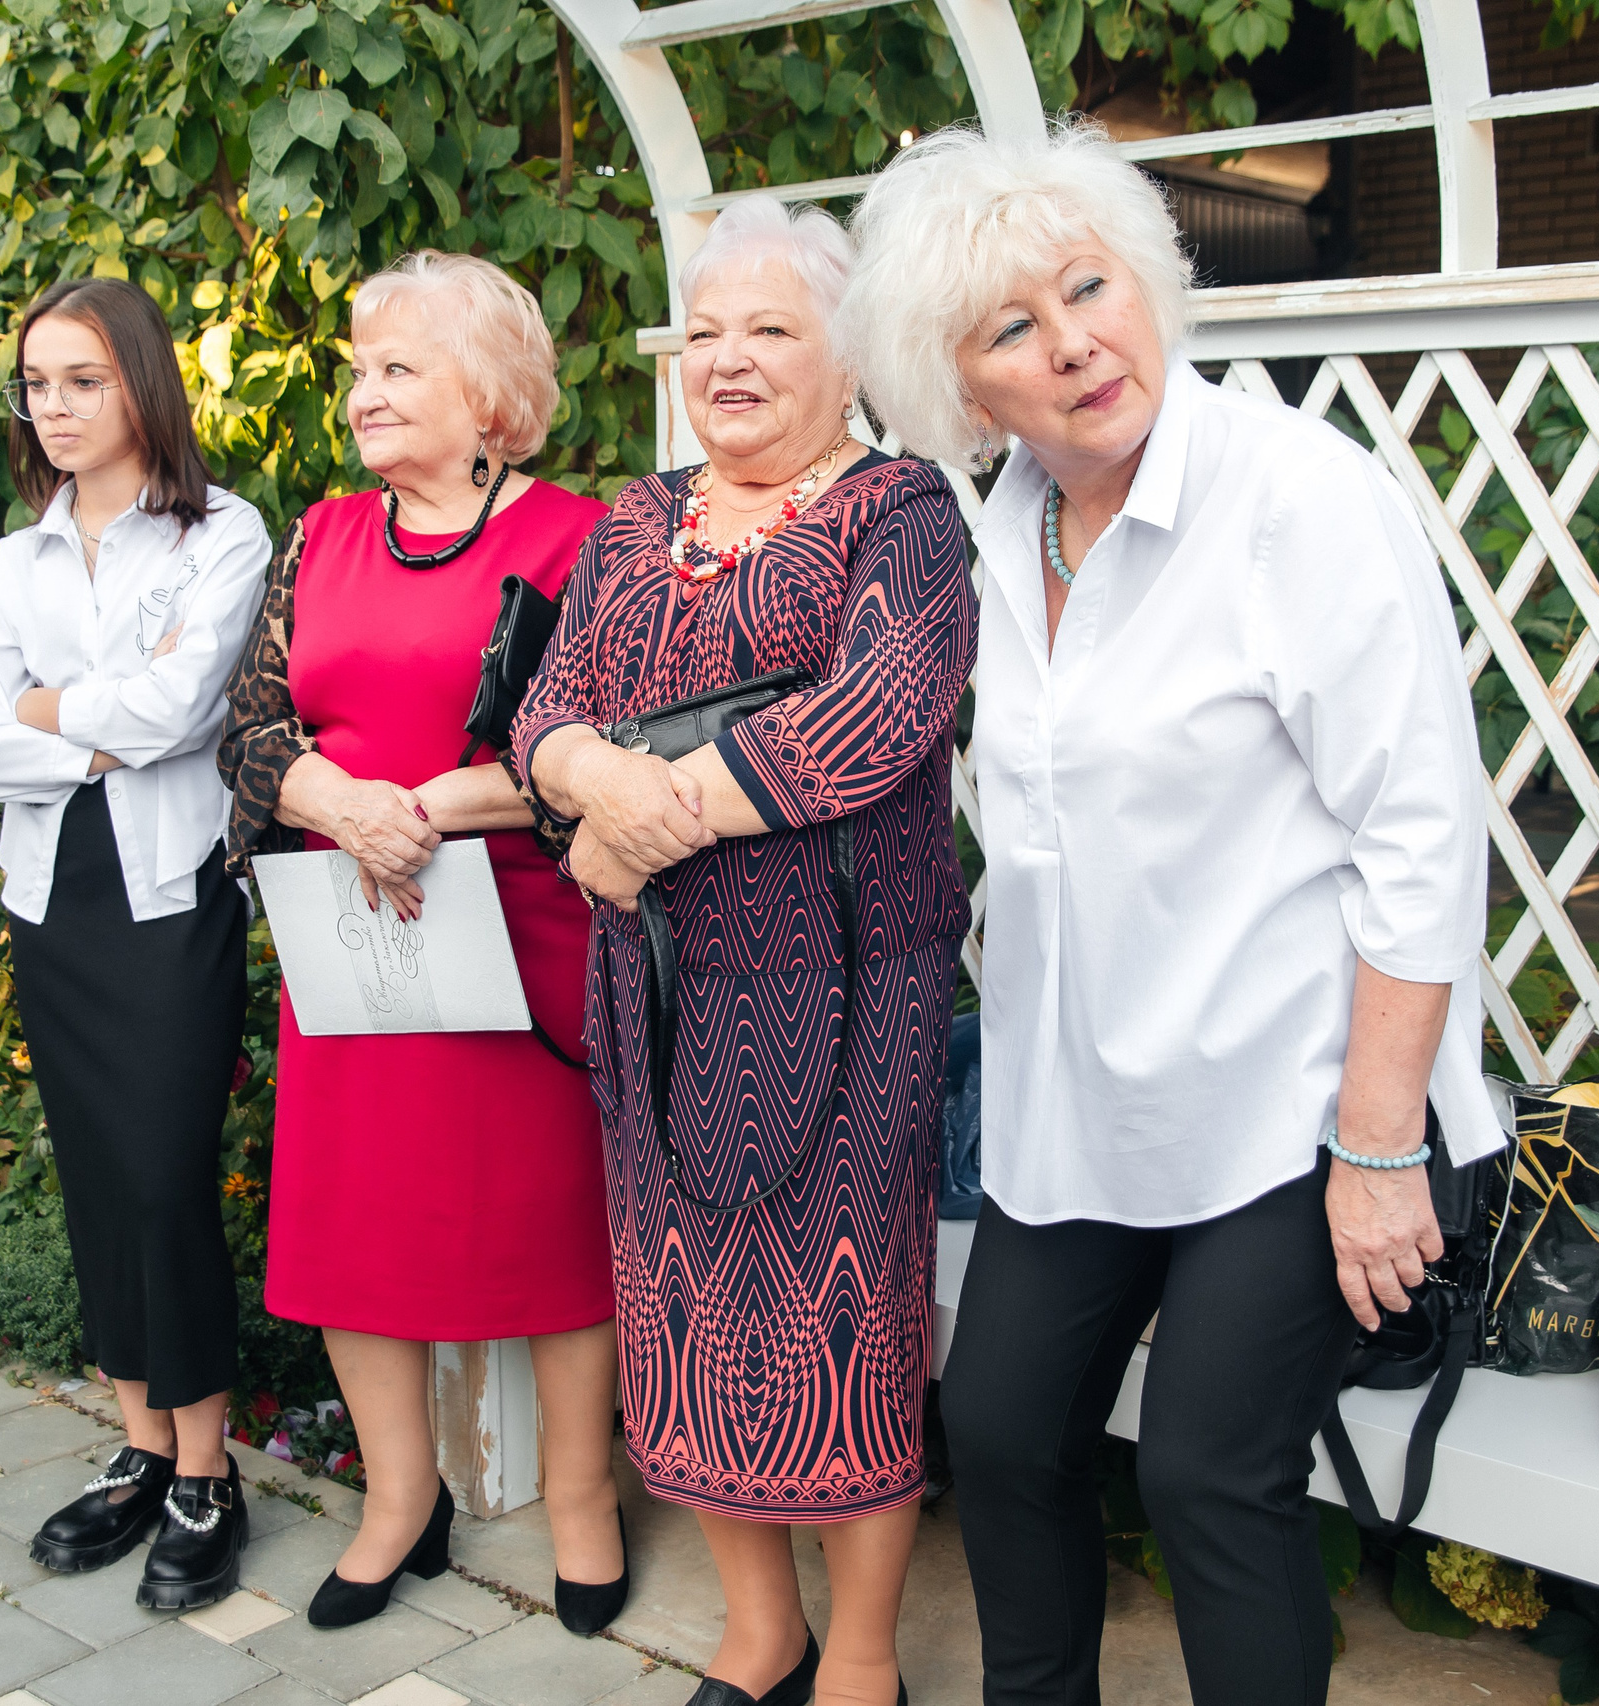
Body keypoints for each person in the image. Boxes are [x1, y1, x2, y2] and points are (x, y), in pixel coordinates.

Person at [840, 121, 1499, 1706]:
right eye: (1014, 327)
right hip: (1090, 1107)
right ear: (960, 386)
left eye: (1091, 285)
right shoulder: (999, 535)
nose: (1074, 346)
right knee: (999, 1430)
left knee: (1209, 1472)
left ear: (1148, 279)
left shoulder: (1296, 502)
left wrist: (1380, 1143)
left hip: (1303, 1108)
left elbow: (1421, 831)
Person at [510, 196, 977, 1706]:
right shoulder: (636, 521)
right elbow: (540, 714)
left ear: (847, 352)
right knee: (682, 1300)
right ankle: (758, 1628)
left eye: (769, 328)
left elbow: (875, 713)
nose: (728, 359)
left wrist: (643, 820)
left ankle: (857, 1656)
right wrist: (586, 783)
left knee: (845, 1306)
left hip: (850, 991)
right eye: (704, 332)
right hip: (658, 997)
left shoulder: (901, 510)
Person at [216, 252, 628, 1635]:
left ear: (489, 396)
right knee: (352, 1233)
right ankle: (401, 1498)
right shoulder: (320, 536)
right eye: (358, 368)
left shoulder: (579, 538)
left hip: (522, 944)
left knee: (556, 1234)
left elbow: (604, 742)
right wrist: (334, 800)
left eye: (399, 367)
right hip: (357, 952)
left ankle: (582, 1499)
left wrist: (434, 808)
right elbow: (252, 731)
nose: (364, 392)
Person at [0, 277, 271, 1610]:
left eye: (83, 378)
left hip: (168, 896)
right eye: (37, 383)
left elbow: (183, 711)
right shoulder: (19, 558)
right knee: (93, 1177)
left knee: (161, 1174)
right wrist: (86, 720)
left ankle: (210, 1469)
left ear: (140, 380)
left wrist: (49, 712)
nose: (56, 405)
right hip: (52, 902)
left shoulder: (221, 534)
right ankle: (140, 1446)